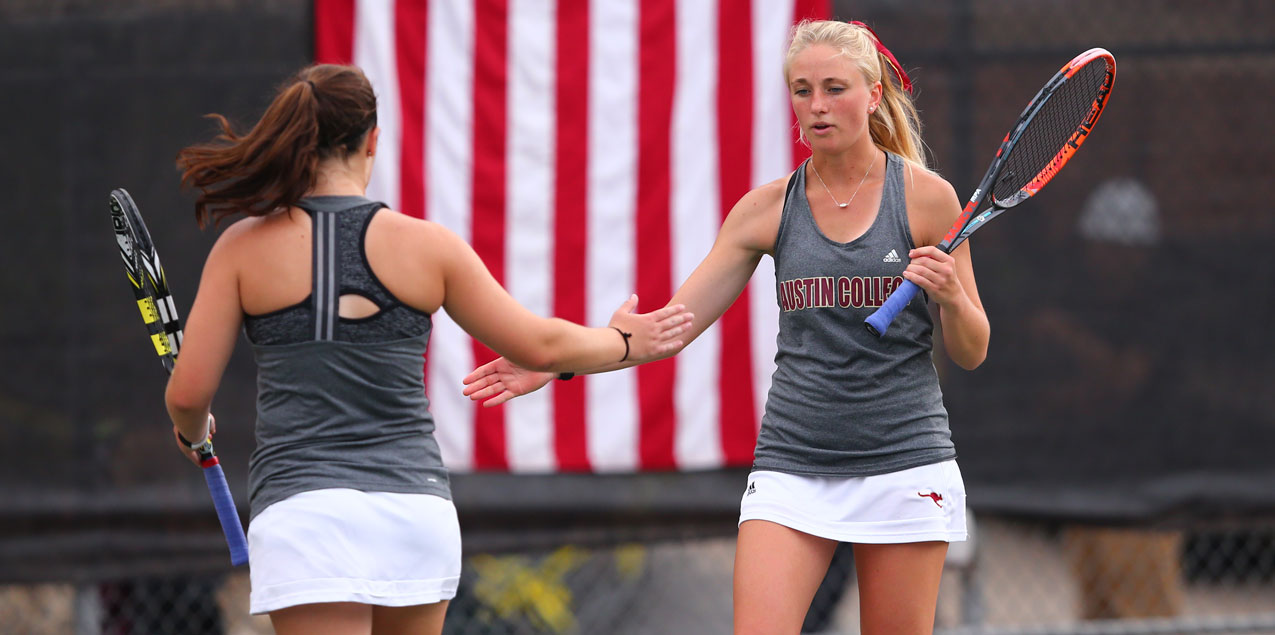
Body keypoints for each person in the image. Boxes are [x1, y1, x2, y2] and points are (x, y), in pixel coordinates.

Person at [462, 20, 989, 635]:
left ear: (873, 94)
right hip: (794, 465)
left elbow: (971, 349)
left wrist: (951, 295)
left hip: (904, 464)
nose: (816, 107)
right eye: (801, 90)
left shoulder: (928, 199)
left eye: (834, 88)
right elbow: (669, 329)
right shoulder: (766, 209)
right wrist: (556, 358)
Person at [163, 63, 692, 635]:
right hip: (413, 516)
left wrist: (193, 434)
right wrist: (622, 341)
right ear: (372, 139)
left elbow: (189, 394)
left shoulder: (241, 249)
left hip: (305, 517)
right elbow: (539, 344)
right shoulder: (428, 247)